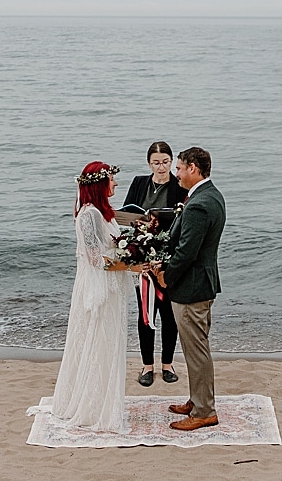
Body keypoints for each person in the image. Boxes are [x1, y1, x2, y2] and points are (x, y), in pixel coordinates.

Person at [50, 161, 137, 432]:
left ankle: (102, 399)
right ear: (100, 184)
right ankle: (92, 405)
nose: (116, 184)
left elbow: (111, 242)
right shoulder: (88, 215)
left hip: (112, 285)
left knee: (108, 340)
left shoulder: (103, 213)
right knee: (97, 339)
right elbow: (96, 258)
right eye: (112, 180)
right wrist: (132, 265)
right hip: (99, 286)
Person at [153, 147, 226, 431]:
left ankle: (205, 411)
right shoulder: (211, 195)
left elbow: (187, 252)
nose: (176, 173)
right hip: (201, 284)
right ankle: (198, 401)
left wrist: (166, 276)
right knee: (197, 348)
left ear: (193, 168)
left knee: (196, 351)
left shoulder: (199, 204)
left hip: (192, 287)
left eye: (180, 168)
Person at [121, 141, 188, 387]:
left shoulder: (179, 186)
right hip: (143, 257)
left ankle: (167, 364)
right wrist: (140, 225)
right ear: (149, 164)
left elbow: (183, 221)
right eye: (156, 163)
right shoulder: (140, 182)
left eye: (166, 162)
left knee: (169, 314)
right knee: (146, 313)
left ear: (172, 162)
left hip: (168, 257)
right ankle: (147, 366)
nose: (161, 167)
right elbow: (128, 215)